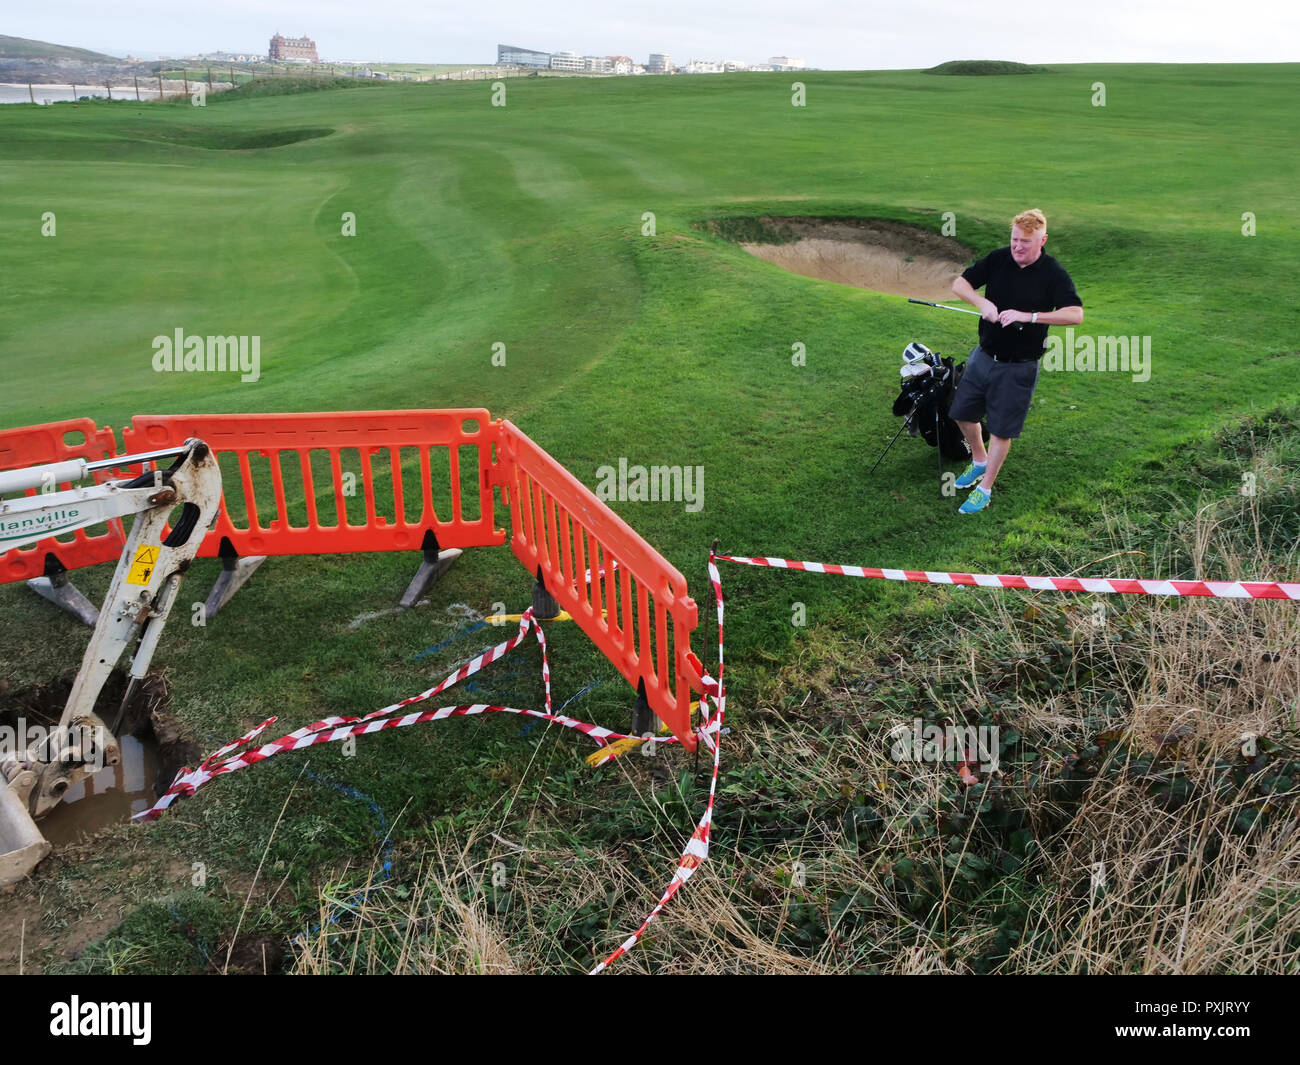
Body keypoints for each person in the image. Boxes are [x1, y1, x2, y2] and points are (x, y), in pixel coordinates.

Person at [947, 209, 1083, 514]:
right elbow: (959, 284)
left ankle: (985, 489)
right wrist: (982, 302)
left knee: (1001, 430)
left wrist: (1030, 316)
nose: (1018, 247)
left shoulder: (1053, 273)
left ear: (1042, 240)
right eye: (1014, 239)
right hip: (983, 356)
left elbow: (1075, 314)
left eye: (1026, 241)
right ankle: (979, 460)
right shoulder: (998, 259)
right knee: (962, 414)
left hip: (1019, 365)